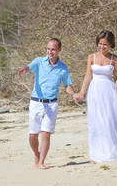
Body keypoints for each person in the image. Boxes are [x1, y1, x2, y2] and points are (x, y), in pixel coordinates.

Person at [74, 30, 117, 163]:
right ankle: (95, 154)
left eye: (105, 44)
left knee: (108, 120)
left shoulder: (114, 59)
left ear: (111, 45)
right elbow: (88, 75)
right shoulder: (91, 57)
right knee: (95, 121)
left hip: (108, 91)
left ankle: (112, 149)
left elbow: (116, 77)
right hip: (94, 91)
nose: (102, 47)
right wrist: (82, 92)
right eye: (100, 44)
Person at [18, 38, 76, 169]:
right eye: (48, 49)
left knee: (46, 133)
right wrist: (25, 69)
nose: (50, 52)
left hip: (51, 104)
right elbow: (29, 66)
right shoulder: (39, 61)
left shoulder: (63, 68)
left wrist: (74, 94)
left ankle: (41, 162)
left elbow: (67, 86)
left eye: (53, 49)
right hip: (36, 103)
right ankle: (36, 154)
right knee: (33, 135)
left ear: (59, 50)